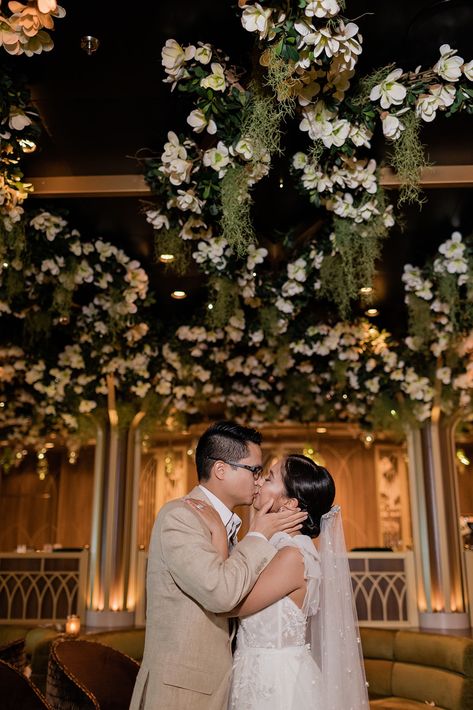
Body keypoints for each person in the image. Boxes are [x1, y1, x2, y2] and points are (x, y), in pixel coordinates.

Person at [130, 422, 308, 710]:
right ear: (221, 470)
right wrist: (259, 534)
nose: (259, 480)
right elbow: (220, 593)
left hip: (223, 685)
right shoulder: (181, 516)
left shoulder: (226, 525)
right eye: (254, 470)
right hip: (182, 692)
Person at [188, 453, 370, 710]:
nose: (259, 481)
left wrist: (229, 531)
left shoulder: (292, 556)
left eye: (269, 477)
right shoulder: (277, 546)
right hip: (252, 673)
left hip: (277, 684)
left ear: (289, 504)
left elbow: (230, 603)